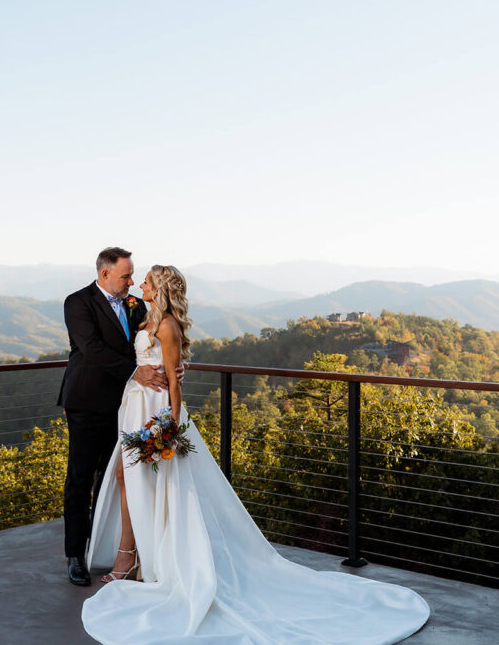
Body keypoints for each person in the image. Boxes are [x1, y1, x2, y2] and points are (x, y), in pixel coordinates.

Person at [82, 265, 431, 644]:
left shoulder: (167, 326)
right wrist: (136, 374)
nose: (140, 284)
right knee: (127, 477)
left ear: (160, 287)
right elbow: (131, 358)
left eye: (147, 279)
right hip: (133, 404)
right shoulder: (145, 315)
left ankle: (147, 560)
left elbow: (174, 380)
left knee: (155, 485)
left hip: (156, 411)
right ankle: (134, 555)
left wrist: (171, 427)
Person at [58, 247, 168, 587]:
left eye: (133, 276)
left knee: (117, 479)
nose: (132, 282)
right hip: (87, 402)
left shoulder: (135, 304)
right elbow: (92, 349)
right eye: (125, 276)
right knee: (80, 478)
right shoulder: (77, 303)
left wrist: (171, 366)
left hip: (126, 406)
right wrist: (136, 372)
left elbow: (152, 339)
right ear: (105, 274)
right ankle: (76, 556)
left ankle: (110, 550)